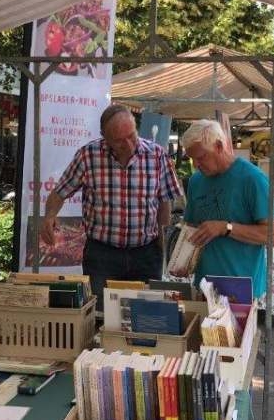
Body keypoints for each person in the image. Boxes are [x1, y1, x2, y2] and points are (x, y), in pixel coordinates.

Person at [41, 105, 183, 303]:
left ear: (136, 127)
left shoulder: (157, 155)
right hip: (102, 255)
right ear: (105, 138)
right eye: (119, 141)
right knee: (101, 314)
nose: (129, 145)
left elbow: (164, 201)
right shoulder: (88, 156)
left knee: (146, 316)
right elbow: (59, 193)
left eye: (131, 136)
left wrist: (162, 240)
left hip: (146, 254)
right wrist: (49, 217)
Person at [179, 119, 270, 298]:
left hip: (241, 288)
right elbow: (190, 227)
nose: (196, 164)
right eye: (192, 159)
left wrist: (225, 228)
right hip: (204, 286)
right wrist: (184, 261)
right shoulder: (196, 181)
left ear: (219, 146)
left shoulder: (252, 179)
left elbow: (271, 235)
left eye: (201, 157)